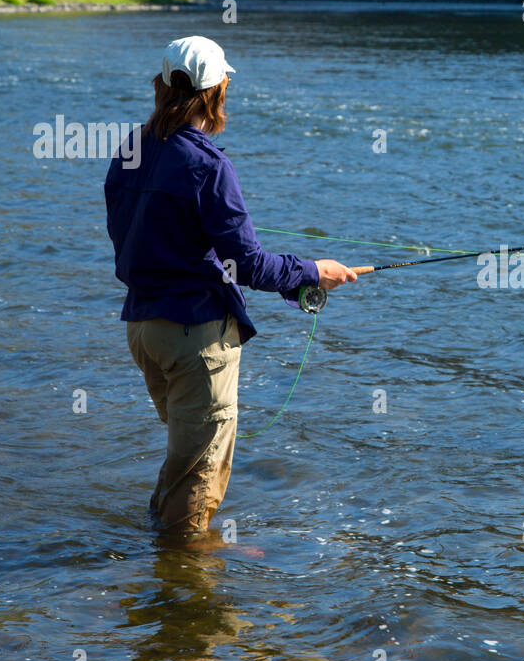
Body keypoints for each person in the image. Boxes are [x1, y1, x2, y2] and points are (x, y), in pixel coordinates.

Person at [104, 36, 356, 538]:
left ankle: (166, 556)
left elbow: (129, 230)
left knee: (184, 459)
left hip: (143, 330)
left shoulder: (132, 148)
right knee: (198, 475)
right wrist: (313, 272)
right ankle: (191, 571)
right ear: (217, 92)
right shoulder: (210, 166)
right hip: (194, 336)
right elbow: (249, 266)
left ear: (162, 85)